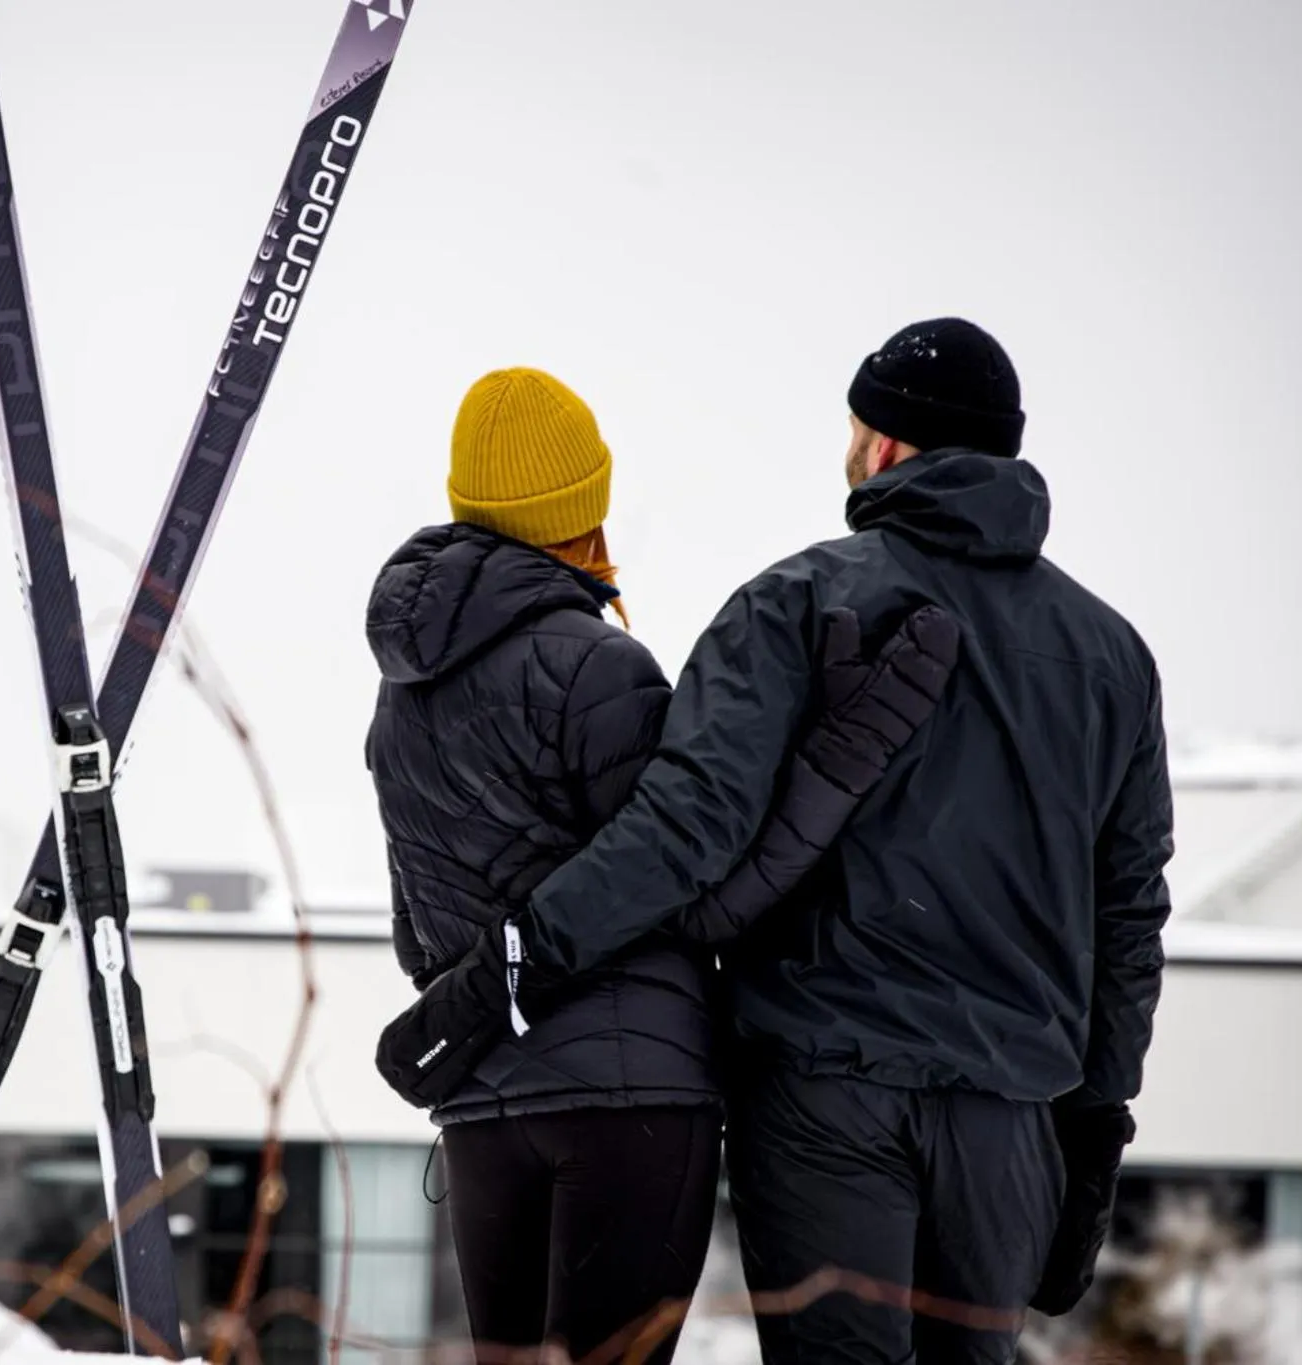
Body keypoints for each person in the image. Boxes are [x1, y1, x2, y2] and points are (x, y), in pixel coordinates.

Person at [512, 320, 1173, 1365]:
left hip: (826, 1094)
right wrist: (1094, 1125)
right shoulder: (1109, 657)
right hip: (1008, 1119)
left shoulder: (797, 602)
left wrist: (528, 949)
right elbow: (1128, 915)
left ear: (888, 448)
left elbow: (688, 826)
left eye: (854, 428)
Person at [364, 366, 961, 1363]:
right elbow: (694, 890)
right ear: (578, 505)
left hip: (479, 1111)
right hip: (629, 1103)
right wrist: (841, 758)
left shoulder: (400, 695)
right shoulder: (598, 664)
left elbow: (414, 935)